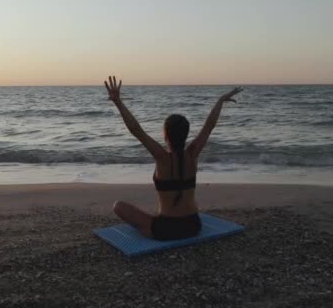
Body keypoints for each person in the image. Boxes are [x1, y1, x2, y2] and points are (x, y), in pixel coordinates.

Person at [104, 76, 243, 241]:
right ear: (186, 135)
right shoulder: (192, 154)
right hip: (193, 226)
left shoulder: (162, 158)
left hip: (166, 230)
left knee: (118, 206)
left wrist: (118, 102)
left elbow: (136, 130)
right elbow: (209, 125)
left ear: (165, 135)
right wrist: (220, 100)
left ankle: (149, 224)